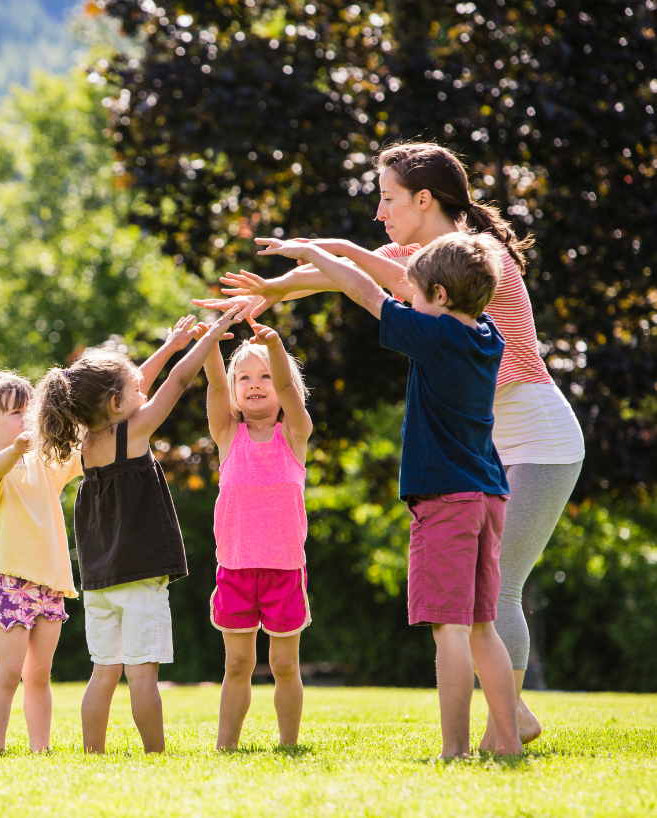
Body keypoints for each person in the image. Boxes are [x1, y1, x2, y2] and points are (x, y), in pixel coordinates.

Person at [199, 142, 583, 744]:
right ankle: (512, 722)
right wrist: (273, 288)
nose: (380, 212)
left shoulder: (475, 260)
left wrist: (321, 257)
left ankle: (504, 726)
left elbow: (366, 281)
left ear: (424, 199)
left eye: (388, 198)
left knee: (496, 589)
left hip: (537, 440)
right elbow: (338, 277)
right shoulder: (427, 264)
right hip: (482, 452)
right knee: (483, 601)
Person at [256, 231, 523, 758]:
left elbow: (366, 292)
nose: (409, 298)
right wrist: (351, 257)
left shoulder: (435, 336)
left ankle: (455, 749)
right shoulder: (487, 334)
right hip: (488, 494)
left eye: (418, 293)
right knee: (482, 626)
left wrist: (317, 254)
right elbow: (404, 286)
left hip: (446, 498)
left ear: (440, 296)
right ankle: (509, 742)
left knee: (448, 629)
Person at [34, 306, 247, 753]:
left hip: (100, 581)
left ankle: (93, 753)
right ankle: (155, 754)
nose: (141, 390)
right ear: (116, 403)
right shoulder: (133, 432)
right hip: (140, 574)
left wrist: (170, 346)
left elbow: (132, 387)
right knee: (143, 674)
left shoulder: (88, 440)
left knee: (104, 671)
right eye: (133, 389)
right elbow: (177, 383)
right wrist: (207, 340)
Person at [204, 322, 313, 750]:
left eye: (265, 376)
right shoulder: (228, 436)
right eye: (244, 378)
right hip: (235, 570)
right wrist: (210, 343)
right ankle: (226, 746)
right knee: (237, 664)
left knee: (284, 665)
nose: (255, 384)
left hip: (285, 571)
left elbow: (287, 385)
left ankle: (288, 744)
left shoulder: (295, 435)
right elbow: (215, 384)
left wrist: (275, 346)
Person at [0, 371, 82, 753]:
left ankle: (40, 750)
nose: (26, 419)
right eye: (16, 413)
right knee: (9, 673)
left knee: (40, 674)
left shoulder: (41, 463)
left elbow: (84, 448)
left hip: (51, 583)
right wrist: (17, 449)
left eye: (28, 412)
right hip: (10, 581)